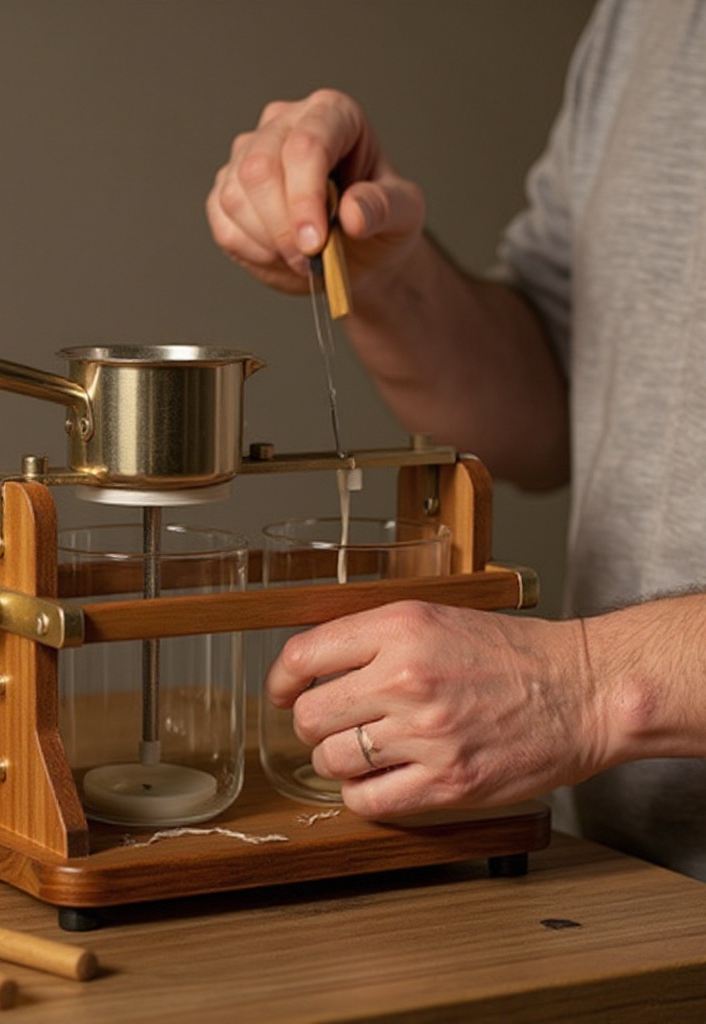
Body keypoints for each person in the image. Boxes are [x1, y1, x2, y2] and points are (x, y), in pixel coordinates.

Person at [206, 0, 706, 881]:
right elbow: (555, 403)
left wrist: (585, 687)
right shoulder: (650, 18)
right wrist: (387, 275)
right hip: (633, 898)